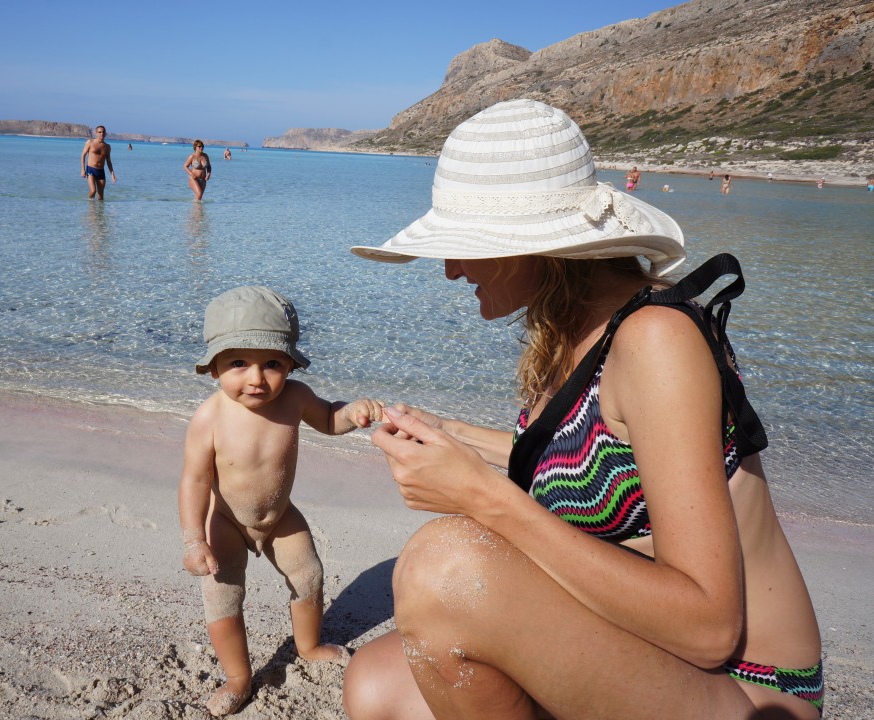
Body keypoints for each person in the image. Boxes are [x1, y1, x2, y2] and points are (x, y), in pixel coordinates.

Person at [343, 99, 822, 720]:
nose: (451, 271)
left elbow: (709, 628)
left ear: (534, 248)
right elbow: (597, 457)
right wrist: (452, 434)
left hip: (746, 684)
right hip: (650, 652)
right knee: (374, 684)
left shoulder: (656, 339)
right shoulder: (572, 330)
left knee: (444, 567)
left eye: (463, 246)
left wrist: (483, 496)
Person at [180, 286, 384, 716]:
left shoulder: (295, 397)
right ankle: (238, 677)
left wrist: (353, 413)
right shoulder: (209, 417)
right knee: (223, 596)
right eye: (239, 363)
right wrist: (194, 539)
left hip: (279, 516)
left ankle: (308, 646)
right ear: (214, 368)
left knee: (309, 575)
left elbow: (328, 418)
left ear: (291, 364)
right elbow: (195, 480)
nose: (257, 378)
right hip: (226, 522)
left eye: (272, 363)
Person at [80, 125, 117, 199]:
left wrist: (112, 174)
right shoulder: (90, 142)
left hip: (101, 171)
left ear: (105, 134)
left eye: (103, 132)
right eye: (99, 132)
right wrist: (83, 170)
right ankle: (90, 203)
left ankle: (99, 207)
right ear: (96, 133)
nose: (101, 134)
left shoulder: (107, 147)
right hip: (91, 169)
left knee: (100, 195)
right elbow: (83, 156)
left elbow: (108, 161)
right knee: (93, 191)